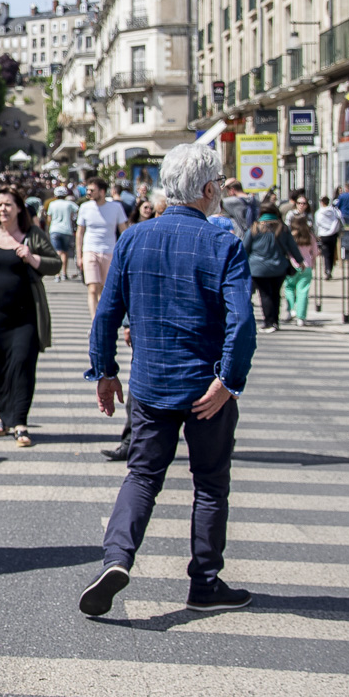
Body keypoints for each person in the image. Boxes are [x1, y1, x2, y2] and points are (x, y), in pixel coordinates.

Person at [80, 141, 256, 618]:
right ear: (205, 189)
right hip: (205, 388)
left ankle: (116, 558)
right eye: (218, 182)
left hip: (152, 384)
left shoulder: (135, 238)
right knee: (211, 483)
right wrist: (229, 381)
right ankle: (204, 581)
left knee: (142, 475)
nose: (220, 189)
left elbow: (107, 313)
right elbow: (241, 322)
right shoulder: (223, 243)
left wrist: (105, 370)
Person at [0, 187, 61, 447]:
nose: (3, 209)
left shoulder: (32, 235)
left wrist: (33, 258)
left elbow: (55, 264)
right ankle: (3, 417)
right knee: (0, 366)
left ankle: (20, 422)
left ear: (19, 208)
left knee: (24, 365)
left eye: (8, 204)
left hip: (26, 314)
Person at [75, 178, 129, 320]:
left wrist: (125, 253)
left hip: (109, 251)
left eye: (92, 190)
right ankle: (94, 321)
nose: (88, 193)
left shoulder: (116, 208)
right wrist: (79, 255)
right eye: (88, 190)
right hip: (90, 250)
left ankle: (103, 319)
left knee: (105, 290)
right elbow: (80, 233)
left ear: (102, 191)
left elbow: (124, 230)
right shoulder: (85, 208)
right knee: (92, 288)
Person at [245, 205, 302, 334]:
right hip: (278, 267)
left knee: (264, 294)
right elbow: (292, 247)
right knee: (276, 294)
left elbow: (245, 248)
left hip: (258, 268)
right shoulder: (282, 228)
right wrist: (300, 261)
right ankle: (275, 320)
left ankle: (268, 321)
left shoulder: (254, 228)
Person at [284, 211, 318, 326]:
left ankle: (291, 309)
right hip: (307, 265)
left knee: (289, 288)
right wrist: (312, 263)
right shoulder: (310, 236)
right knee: (303, 291)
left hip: (291, 265)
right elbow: (315, 252)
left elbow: (286, 251)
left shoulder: (290, 236)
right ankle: (301, 317)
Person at [45, 186, 78, 283]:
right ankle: (64, 273)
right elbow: (77, 211)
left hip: (55, 229)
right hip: (66, 230)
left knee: (57, 252)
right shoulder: (69, 204)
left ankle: (57, 274)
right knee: (65, 252)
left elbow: (49, 218)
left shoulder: (52, 204)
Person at [314, 194, 344, 279]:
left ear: (321, 202)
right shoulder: (334, 211)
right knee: (331, 252)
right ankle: (329, 269)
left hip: (323, 235)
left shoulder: (319, 212)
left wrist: (317, 234)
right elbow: (340, 220)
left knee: (326, 253)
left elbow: (317, 224)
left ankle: (327, 269)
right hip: (333, 234)